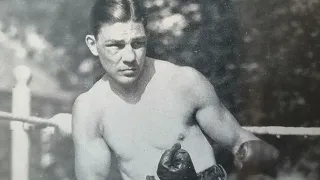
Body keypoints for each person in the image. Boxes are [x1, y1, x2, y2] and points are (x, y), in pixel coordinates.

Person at [55, 0, 280, 180]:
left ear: (147, 39)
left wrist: (256, 153)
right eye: (115, 46)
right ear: (93, 45)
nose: (130, 57)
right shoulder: (89, 108)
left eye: (138, 43)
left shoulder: (183, 82)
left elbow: (242, 143)